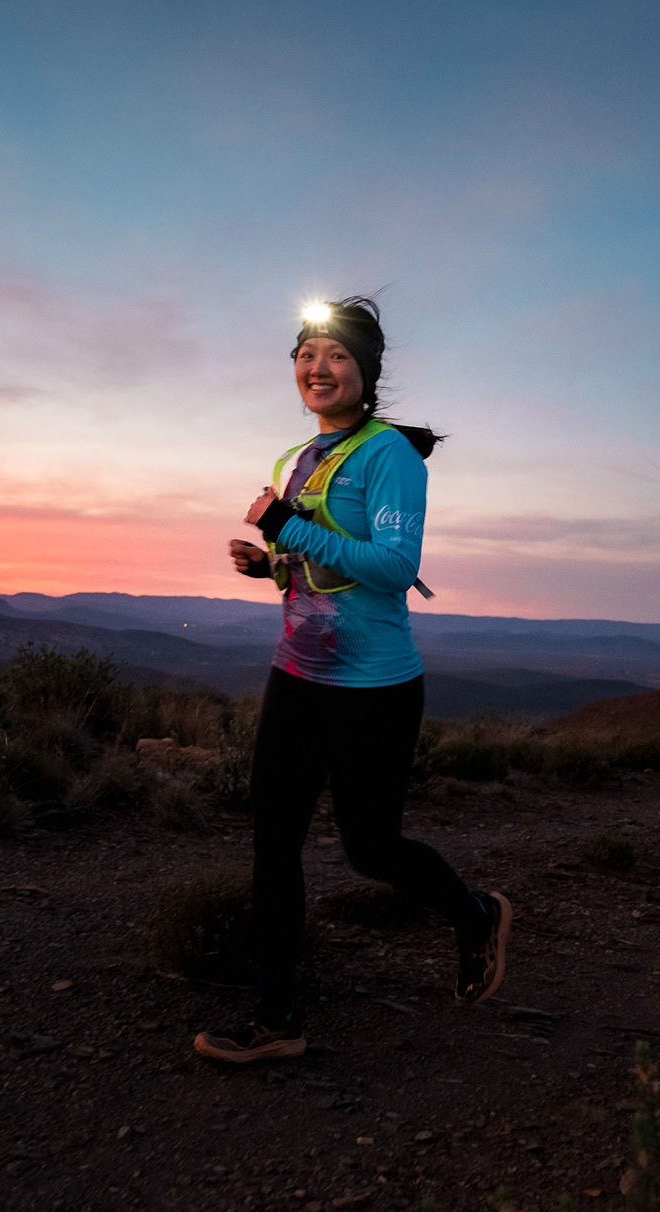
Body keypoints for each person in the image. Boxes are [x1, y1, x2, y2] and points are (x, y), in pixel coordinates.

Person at [192, 296, 512, 1064]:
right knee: (274, 844)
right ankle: (277, 1020)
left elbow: (394, 568)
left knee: (370, 849)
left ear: (366, 371)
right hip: (297, 677)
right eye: (306, 354)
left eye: (336, 354)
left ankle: (475, 917)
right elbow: (317, 568)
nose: (318, 367)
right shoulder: (298, 458)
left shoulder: (388, 456)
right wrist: (269, 565)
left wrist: (284, 526)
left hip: (375, 690)